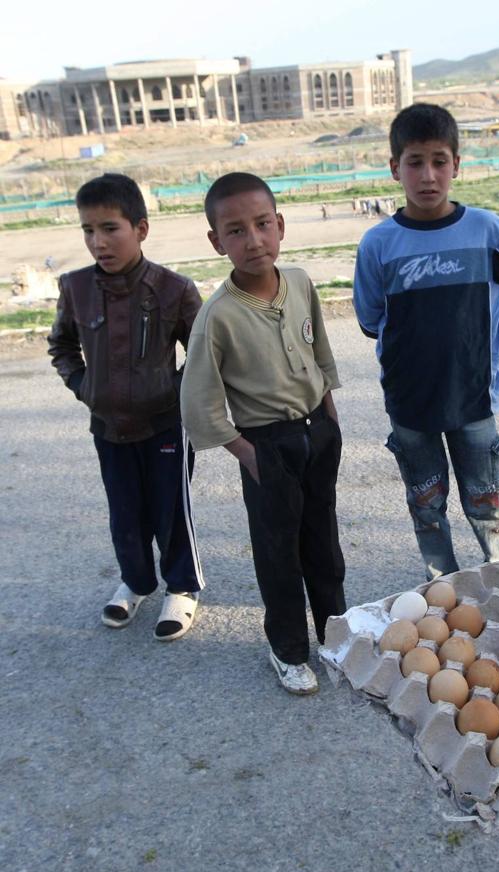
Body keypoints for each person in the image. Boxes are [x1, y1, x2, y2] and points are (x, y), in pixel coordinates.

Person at [353, 103, 499, 580]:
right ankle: (442, 584)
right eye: (415, 161)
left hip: (474, 397)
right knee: (427, 503)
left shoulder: (484, 230)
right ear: (394, 169)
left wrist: (494, 322)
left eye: (440, 161)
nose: (428, 175)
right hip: (410, 402)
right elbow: (369, 318)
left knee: (486, 499)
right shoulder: (378, 244)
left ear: (457, 166)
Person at [180, 172, 344, 696]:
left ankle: (336, 635)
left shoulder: (299, 282)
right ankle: (288, 650)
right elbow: (198, 402)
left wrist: (331, 419)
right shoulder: (218, 316)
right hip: (267, 447)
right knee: (278, 553)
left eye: (262, 224)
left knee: (324, 542)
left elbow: (319, 352)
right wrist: (248, 456)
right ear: (216, 242)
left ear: (280, 226)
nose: (252, 240)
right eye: (235, 231)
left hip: (317, 432)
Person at [47, 173, 204, 639]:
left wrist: (171, 396)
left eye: (110, 228)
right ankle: (135, 583)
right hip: (108, 428)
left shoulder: (173, 290)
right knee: (124, 512)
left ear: (140, 228)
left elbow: (201, 354)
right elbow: (61, 346)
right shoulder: (75, 288)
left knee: (169, 509)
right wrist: (85, 387)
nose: (99, 242)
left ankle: (182, 587)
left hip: (164, 429)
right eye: (88, 231)